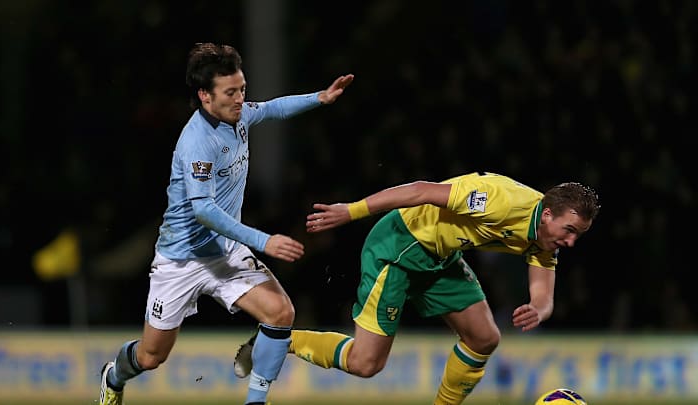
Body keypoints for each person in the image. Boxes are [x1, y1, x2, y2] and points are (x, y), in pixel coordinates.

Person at [98, 42, 354, 405]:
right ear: (205, 96)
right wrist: (263, 241)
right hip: (181, 261)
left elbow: (272, 108)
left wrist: (320, 98)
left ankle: (255, 400)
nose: (240, 99)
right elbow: (205, 211)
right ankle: (113, 376)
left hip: (226, 253)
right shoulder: (196, 143)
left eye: (242, 89)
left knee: (281, 314)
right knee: (151, 357)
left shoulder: (239, 116)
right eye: (231, 92)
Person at [234, 171, 600, 404]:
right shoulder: (499, 201)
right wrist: (352, 211)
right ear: (549, 214)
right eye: (569, 231)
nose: (571, 241)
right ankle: (282, 341)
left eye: (578, 235)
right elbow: (420, 191)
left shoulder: (545, 234)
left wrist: (540, 307)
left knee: (484, 337)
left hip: (440, 257)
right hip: (398, 247)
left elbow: (543, 278)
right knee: (366, 364)